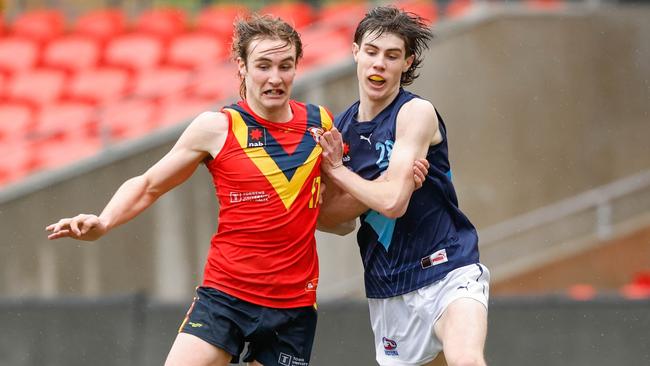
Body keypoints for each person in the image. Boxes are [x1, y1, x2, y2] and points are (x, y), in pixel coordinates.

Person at [46, 14, 332, 366]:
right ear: (241, 67)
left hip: (293, 308)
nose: (275, 78)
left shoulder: (321, 125)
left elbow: (338, 209)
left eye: (285, 66)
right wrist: (103, 222)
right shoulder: (217, 128)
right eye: (263, 66)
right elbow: (149, 184)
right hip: (226, 296)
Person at [318, 6, 490, 366]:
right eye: (372, 52)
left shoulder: (415, 113)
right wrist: (378, 188)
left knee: (466, 359)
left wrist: (339, 172)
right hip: (389, 286)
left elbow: (394, 203)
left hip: (448, 265)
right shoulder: (342, 131)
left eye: (392, 55)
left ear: (407, 63)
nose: (380, 63)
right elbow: (334, 221)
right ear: (355, 53)